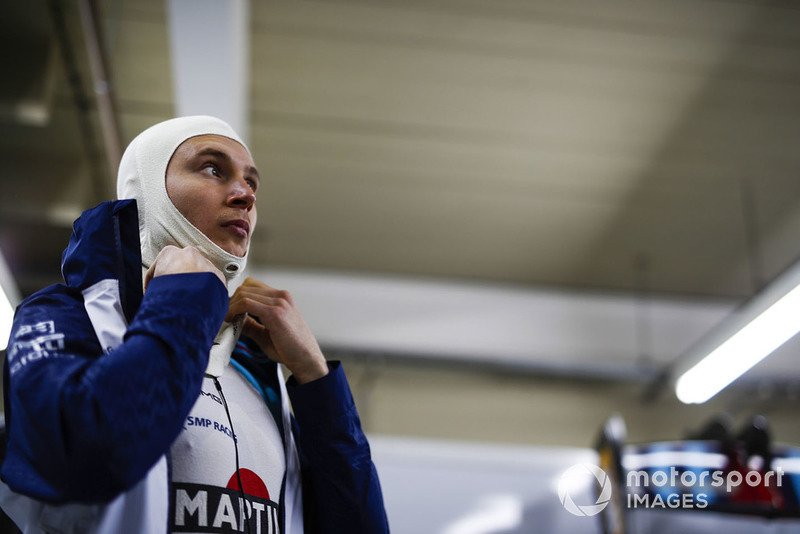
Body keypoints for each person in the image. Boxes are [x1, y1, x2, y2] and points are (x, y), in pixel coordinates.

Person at [0, 116, 389, 533]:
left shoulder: (256, 373)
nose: (245, 196)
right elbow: (81, 457)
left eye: (252, 183)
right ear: (147, 189)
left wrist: (316, 380)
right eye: (212, 169)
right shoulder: (66, 316)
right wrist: (187, 296)